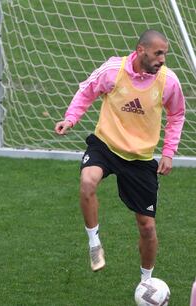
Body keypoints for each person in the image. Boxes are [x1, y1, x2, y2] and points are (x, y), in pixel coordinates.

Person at [54, 30, 185, 280]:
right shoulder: (113, 70)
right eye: (158, 53)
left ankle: (147, 282)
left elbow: (177, 114)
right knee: (87, 181)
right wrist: (70, 119)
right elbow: (87, 91)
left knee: (147, 227)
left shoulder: (169, 82)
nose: (162, 59)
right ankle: (94, 243)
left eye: (165, 54)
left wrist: (168, 152)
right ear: (140, 51)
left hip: (140, 159)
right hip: (105, 145)